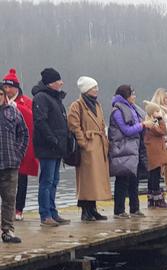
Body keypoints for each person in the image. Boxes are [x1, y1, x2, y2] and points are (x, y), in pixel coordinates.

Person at [67, 77, 112, 222]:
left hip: (98, 146)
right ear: (86, 89)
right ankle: (85, 211)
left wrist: (105, 141)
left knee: (96, 181)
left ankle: (93, 209)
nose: (96, 90)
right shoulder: (77, 105)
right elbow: (74, 126)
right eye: (94, 87)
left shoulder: (97, 104)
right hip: (87, 146)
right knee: (86, 180)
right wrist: (83, 142)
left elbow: (102, 123)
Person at [32, 67, 70, 227]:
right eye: (57, 81)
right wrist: (53, 140)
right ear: (50, 83)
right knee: (46, 181)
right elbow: (40, 122)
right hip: (47, 147)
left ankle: (53, 212)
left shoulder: (55, 98)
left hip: (57, 147)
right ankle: (45, 214)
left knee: (54, 181)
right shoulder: (41, 98)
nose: (61, 83)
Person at [2, 69, 38, 222]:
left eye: (10, 87)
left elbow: (31, 121)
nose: (7, 90)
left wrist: (18, 108)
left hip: (20, 151)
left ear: (16, 87)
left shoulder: (26, 102)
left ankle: (19, 210)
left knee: (21, 180)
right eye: (5, 87)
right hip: (4, 150)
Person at [108, 85, 146, 219]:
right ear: (125, 96)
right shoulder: (117, 111)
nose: (134, 97)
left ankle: (135, 209)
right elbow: (126, 130)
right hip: (122, 150)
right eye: (132, 94)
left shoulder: (133, 109)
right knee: (122, 180)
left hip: (133, 149)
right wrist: (143, 125)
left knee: (134, 180)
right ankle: (119, 211)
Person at [0, 85, 28, 243]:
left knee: (9, 199)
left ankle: (8, 231)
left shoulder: (13, 112)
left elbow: (24, 133)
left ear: (4, 96)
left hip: (10, 163)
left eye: (1, 94)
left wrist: (18, 154)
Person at [142, 102, 167, 208]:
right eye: (157, 111)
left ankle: (152, 199)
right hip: (154, 154)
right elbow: (163, 131)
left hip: (154, 152)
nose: (159, 113)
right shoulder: (151, 124)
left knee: (153, 176)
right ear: (151, 113)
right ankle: (157, 199)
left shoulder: (151, 123)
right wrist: (161, 119)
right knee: (155, 176)